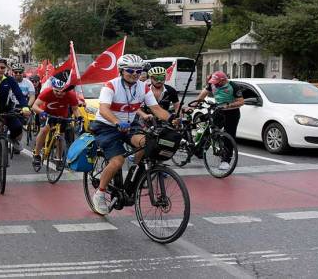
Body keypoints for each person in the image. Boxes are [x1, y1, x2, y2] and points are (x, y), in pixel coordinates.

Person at [89, 54, 174, 215]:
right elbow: (104, 109)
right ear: (121, 71)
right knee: (118, 161)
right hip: (107, 126)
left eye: (138, 71)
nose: (134, 74)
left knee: (148, 143)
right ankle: (99, 193)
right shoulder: (111, 86)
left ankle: (136, 171)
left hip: (130, 125)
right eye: (130, 71)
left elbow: (156, 109)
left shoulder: (143, 87)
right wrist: (116, 122)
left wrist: (173, 118)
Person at [192, 70, 243, 171]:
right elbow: (202, 95)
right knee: (207, 129)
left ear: (223, 80)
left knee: (229, 136)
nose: (214, 84)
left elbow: (241, 102)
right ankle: (198, 150)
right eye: (213, 82)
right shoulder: (212, 84)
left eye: (217, 82)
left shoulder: (233, 86)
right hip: (219, 111)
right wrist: (193, 107)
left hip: (232, 113)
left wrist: (228, 105)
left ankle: (226, 161)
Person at [30, 77, 82, 168]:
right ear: (52, 88)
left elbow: (75, 109)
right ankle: (37, 155)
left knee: (60, 136)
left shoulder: (71, 95)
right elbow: (34, 106)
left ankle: (59, 159)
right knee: (44, 130)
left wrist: (80, 117)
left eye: (62, 91)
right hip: (46, 114)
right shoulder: (47, 92)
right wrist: (42, 112)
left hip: (62, 116)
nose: (59, 93)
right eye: (56, 91)